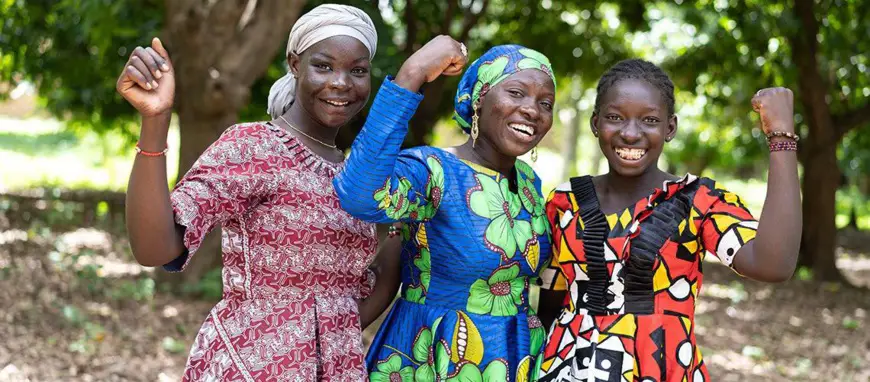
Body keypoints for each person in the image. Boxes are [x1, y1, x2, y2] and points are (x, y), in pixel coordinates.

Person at [116, 4, 401, 380]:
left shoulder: (356, 175)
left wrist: (415, 221)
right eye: (324, 65)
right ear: (295, 64)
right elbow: (156, 247)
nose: (341, 83)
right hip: (249, 366)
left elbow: (348, 303)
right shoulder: (254, 147)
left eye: (357, 70)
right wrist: (155, 121)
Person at [534, 59, 801, 381]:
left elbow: (773, 265)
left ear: (669, 128)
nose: (630, 133)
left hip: (662, 369)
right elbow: (550, 302)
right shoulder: (565, 201)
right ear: (595, 123)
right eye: (615, 117)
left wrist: (781, 138)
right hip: (568, 369)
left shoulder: (699, 202)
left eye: (649, 120)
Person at [332, 36, 558, 381]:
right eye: (516, 92)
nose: (532, 109)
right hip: (436, 355)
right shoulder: (433, 170)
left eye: (546, 103)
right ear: (480, 98)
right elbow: (360, 194)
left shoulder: (528, 182)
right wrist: (413, 73)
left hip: (515, 357)